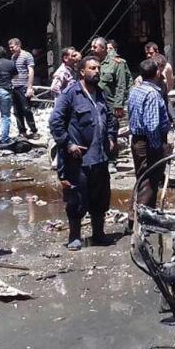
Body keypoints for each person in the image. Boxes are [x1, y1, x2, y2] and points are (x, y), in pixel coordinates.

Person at [50, 56, 116, 248]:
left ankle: (98, 233)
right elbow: (55, 122)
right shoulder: (71, 93)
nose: (97, 71)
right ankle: (75, 237)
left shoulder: (101, 94)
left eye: (98, 68)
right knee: (76, 198)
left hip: (100, 157)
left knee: (101, 198)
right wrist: (68, 144)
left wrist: (111, 138)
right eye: (92, 68)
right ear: (82, 72)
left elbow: (110, 118)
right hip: (79, 159)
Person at [127, 59, 171, 225]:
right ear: (157, 73)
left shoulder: (135, 90)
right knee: (149, 181)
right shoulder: (152, 94)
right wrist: (157, 147)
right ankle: (141, 219)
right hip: (148, 142)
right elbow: (152, 125)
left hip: (138, 141)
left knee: (142, 178)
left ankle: (137, 216)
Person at [91, 37, 131, 123]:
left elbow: (121, 85)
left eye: (95, 47)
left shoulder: (117, 63)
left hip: (110, 104)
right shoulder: (91, 62)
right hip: (95, 102)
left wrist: (118, 105)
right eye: (91, 47)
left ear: (103, 48)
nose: (92, 49)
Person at [7, 38, 39, 140]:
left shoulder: (27, 55)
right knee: (17, 111)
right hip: (14, 87)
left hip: (24, 86)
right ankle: (22, 132)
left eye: (12, 47)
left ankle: (33, 131)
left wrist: (29, 87)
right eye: (10, 47)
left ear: (18, 45)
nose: (11, 49)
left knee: (26, 109)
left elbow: (31, 71)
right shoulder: (13, 57)